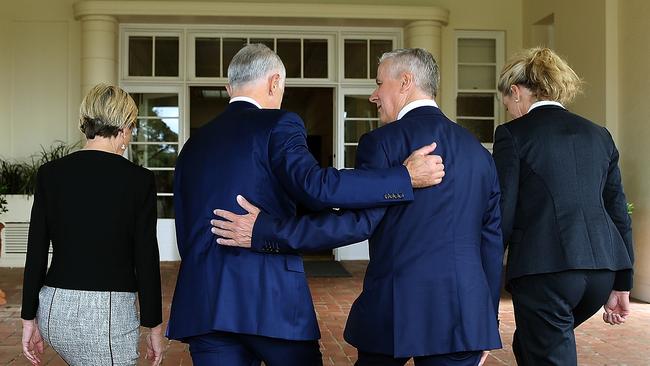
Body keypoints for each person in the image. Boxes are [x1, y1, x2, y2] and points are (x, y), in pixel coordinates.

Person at [212, 48, 503, 366]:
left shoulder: (381, 143)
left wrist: (264, 230)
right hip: (465, 316)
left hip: (395, 309)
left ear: (405, 81)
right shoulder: (479, 154)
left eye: (379, 83)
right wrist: (487, 323)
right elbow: (490, 242)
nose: (374, 96)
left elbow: (355, 224)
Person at [166, 44, 445, 366]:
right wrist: (401, 178)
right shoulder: (278, 124)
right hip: (269, 303)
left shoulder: (191, 145)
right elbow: (317, 187)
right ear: (274, 83)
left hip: (203, 304)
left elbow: (185, 224)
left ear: (231, 87)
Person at [492, 47, 634, 365]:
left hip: (545, 272)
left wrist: (487, 277)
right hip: (600, 272)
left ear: (515, 92)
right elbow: (618, 210)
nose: (509, 112)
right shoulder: (600, 135)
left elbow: (503, 210)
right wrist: (623, 283)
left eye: (506, 103)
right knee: (531, 345)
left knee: (548, 351)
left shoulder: (512, 135)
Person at [20, 84, 163, 366]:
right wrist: (154, 326)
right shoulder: (139, 180)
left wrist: (28, 319)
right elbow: (146, 258)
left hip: (54, 309)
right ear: (123, 127)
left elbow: (35, 250)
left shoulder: (50, 174)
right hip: (106, 316)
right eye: (132, 128)